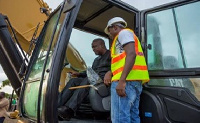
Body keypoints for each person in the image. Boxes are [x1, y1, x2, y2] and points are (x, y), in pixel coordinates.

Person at [104, 17, 150, 123]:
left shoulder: (123, 34)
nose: (109, 34)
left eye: (109, 31)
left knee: (120, 118)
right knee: (133, 116)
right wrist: (110, 72)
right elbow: (123, 60)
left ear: (115, 27)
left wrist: (122, 81)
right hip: (134, 82)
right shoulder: (125, 38)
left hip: (126, 82)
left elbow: (131, 54)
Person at [58, 38, 111, 121]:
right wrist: (78, 74)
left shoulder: (111, 55)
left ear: (102, 45)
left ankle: (69, 110)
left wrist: (110, 72)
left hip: (104, 83)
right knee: (73, 81)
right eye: (92, 47)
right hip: (93, 81)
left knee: (88, 80)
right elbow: (91, 73)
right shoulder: (96, 60)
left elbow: (118, 67)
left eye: (95, 47)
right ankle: (57, 106)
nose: (93, 49)